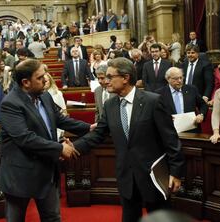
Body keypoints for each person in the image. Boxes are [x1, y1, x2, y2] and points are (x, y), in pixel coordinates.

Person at [72, 57, 185, 222]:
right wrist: (73, 147)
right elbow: (97, 134)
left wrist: (175, 172)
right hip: (126, 176)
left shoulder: (152, 101)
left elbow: (171, 140)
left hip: (153, 176)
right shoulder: (110, 105)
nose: (105, 81)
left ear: (125, 78)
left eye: (110, 77)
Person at [0, 59, 92, 222]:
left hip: (46, 171)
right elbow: (25, 138)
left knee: (52, 218)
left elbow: (61, 120)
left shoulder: (44, 96)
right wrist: (59, 148)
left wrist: (89, 128)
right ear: (26, 82)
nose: (46, 79)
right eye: (40, 77)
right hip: (20, 175)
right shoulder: (10, 103)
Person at [155, 67, 207, 133]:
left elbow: (203, 105)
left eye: (181, 77)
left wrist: (201, 115)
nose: (179, 81)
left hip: (192, 131)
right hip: (170, 132)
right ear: (168, 79)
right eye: (176, 78)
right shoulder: (159, 94)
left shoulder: (192, 89)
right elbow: (157, 114)